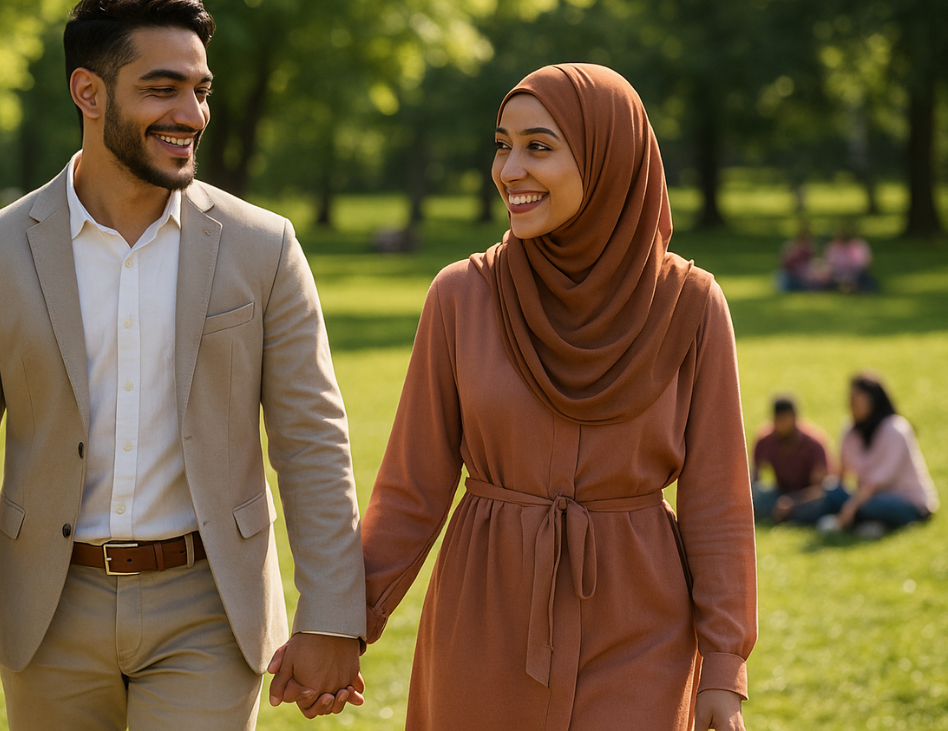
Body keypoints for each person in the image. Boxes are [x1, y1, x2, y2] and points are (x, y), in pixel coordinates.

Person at [0, 0, 366, 731]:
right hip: (47, 613)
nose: (190, 115)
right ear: (88, 93)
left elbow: (312, 441)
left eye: (200, 90)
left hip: (209, 605)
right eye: (162, 90)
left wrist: (329, 615)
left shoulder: (264, 247)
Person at [360, 64, 756, 731]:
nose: (510, 169)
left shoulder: (690, 304)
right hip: (485, 617)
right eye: (502, 144)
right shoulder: (462, 295)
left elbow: (717, 501)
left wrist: (723, 666)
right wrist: (343, 627)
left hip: (643, 622)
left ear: (610, 159)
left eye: (539, 147)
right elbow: (411, 488)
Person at [819, 374, 938, 538]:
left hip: (904, 503)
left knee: (872, 505)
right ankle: (868, 523)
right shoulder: (850, 431)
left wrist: (849, 508)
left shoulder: (896, 429)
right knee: (831, 491)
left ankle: (861, 521)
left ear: (873, 399)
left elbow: (879, 481)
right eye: (850, 399)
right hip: (864, 497)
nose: (851, 404)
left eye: (856, 399)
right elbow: (841, 474)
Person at [751, 396, 833, 524]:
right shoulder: (765, 440)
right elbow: (754, 477)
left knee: (821, 504)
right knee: (753, 495)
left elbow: (821, 488)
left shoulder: (813, 444)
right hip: (780, 493)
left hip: (807, 499)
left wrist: (793, 502)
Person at [823, 221, 877, 293]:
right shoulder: (834, 247)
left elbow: (863, 263)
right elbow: (830, 263)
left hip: (856, 273)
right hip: (838, 274)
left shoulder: (858, 245)